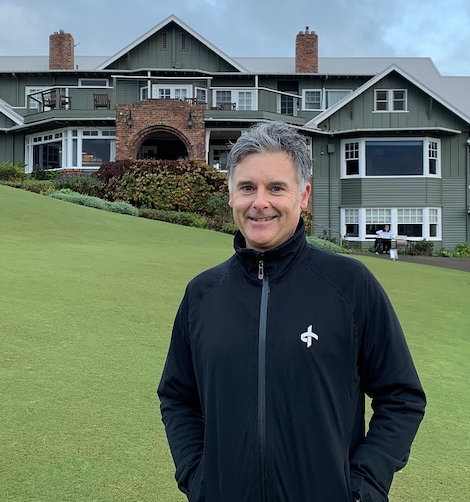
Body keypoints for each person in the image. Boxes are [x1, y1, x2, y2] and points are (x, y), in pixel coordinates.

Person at [157, 122, 425, 502]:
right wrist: (197, 478)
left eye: (276, 187)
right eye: (247, 187)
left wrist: (364, 485)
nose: (259, 202)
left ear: (303, 196)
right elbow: (177, 396)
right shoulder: (203, 293)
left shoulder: (350, 284)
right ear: (230, 195)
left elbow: (402, 396)